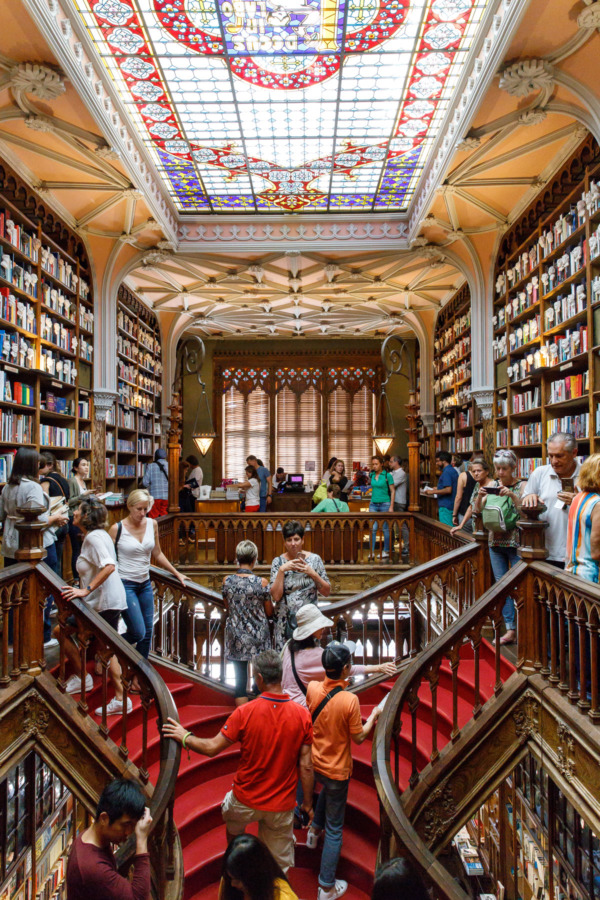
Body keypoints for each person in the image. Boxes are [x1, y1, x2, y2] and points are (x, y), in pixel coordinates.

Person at [163, 650, 314, 873]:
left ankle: (236, 872)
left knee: (234, 839)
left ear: (260, 679)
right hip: (281, 805)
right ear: (280, 676)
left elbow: (212, 748)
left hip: (245, 799)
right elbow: (307, 766)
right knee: (279, 867)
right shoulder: (302, 715)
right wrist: (308, 804)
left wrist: (185, 736)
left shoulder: (245, 712)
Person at [306, 642, 381, 900]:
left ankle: (314, 831)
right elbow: (358, 738)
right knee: (335, 829)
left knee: (326, 791)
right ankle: (326, 886)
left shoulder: (313, 688)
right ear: (347, 668)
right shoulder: (350, 700)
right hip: (337, 769)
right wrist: (374, 716)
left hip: (316, 763)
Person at [57, 498, 129, 712]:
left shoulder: (94, 539)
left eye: (77, 510)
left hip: (103, 602)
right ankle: (91, 682)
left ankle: (119, 698)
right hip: (104, 601)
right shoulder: (95, 536)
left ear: (86, 516)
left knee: (105, 647)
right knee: (105, 646)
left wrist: (85, 590)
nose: (74, 514)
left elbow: (109, 566)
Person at [108, 489, 186, 672]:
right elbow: (107, 559)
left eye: (146, 509)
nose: (143, 513)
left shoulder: (152, 524)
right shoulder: (116, 529)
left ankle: (138, 675)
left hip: (145, 584)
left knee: (147, 632)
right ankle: (107, 650)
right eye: (139, 509)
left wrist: (176, 573)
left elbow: (157, 552)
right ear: (129, 507)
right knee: (137, 631)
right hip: (125, 584)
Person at [0, 448, 67, 645]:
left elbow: (2, 516)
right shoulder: (33, 487)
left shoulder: (7, 487)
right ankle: (43, 635)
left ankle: (12, 638)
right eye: (38, 463)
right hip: (37, 543)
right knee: (44, 587)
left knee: (13, 592)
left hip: (12, 544)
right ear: (32, 465)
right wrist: (55, 517)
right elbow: (37, 519)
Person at [281, 605, 396, 707]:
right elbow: (348, 669)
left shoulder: (288, 647)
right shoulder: (315, 655)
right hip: (301, 709)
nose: (323, 628)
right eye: (320, 626)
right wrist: (378, 668)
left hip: (286, 704)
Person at [66, 777, 152, 900]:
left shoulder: (89, 837)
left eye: (133, 825)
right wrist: (142, 839)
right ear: (104, 818)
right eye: (125, 825)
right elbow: (139, 898)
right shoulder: (93, 867)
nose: (129, 832)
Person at [471, 450, 524, 645]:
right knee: (502, 586)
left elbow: (524, 511)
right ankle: (510, 629)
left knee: (519, 586)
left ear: (513, 468)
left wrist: (512, 495)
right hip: (495, 542)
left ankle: (524, 627)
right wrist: (480, 496)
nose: (500, 473)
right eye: (498, 469)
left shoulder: (522, 485)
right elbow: (478, 510)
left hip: (516, 542)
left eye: (504, 469)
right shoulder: (492, 485)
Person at [223, 540, 272, 705]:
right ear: (255, 559)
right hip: (258, 634)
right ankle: (257, 721)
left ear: (237, 559)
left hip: (236, 634)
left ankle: (243, 721)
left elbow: (227, 607)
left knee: (240, 683)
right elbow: (269, 611)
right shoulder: (262, 583)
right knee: (260, 683)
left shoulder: (227, 581)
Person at [270, 520, 331, 652]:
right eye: (289, 540)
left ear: (303, 540)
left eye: (296, 539)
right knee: (286, 661)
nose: (293, 544)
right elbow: (276, 596)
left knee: (309, 659)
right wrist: (281, 570)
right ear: (284, 542)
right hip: (285, 622)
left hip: (310, 623)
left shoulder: (315, 559)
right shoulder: (278, 562)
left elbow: (326, 591)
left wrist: (312, 573)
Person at [522, 432, 580, 568]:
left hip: (578, 555)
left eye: (559, 456)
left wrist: (579, 502)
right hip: (544, 551)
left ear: (574, 453)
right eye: (550, 456)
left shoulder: (588, 476)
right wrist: (528, 498)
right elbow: (522, 512)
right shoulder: (540, 473)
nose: (554, 461)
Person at [220, 835, 298, 900]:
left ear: (256, 876)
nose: (232, 884)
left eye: (238, 880)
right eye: (231, 878)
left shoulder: (284, 897)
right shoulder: (229, 880)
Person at [565, 454, 600, 583]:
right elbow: (596, 553)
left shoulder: (578, 498)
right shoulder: (597, 504)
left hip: (572, 572)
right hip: (590, 577)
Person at [40, 451, 70, 577]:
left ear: (49, 465)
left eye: (41, 465)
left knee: (49, 563)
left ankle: (51, 593)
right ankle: (59, 590)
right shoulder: (63, 479)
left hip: (53, 523)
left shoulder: (46, 481)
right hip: (64, 521)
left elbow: (43, 503)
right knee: (58, 560)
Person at [450, 457, 495, 534]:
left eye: (479, 471)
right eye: (474, 471)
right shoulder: (477, 484)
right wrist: (461, 525)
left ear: (487, 471)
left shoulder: (493, 484)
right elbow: (471, 506)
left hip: (489, 528)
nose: (476, 474)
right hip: (478, 527)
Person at [68, 456, 93, 575]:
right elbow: (70, 501)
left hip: (83, 518)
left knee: (83, 547)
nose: (86, 467)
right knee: (76, 549)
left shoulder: (83, 481)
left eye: (87, 464)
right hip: (74, 518)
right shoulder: (73, 481)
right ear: (75, 468)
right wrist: (84, 496)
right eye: (83, 465)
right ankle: (76, 577)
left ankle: (83, 574)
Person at [422, 451, 459, 526]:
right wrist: (438, 488)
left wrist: (432, 492)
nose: (436, 463)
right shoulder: (453, 470)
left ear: (444, 461)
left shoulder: (446, 472)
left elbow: (448, 489)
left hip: (446, 506)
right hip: (452, 505)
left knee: (447, 530)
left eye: (438, 461)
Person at [369, 456, 394, 559]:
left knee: (386, 529)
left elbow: (393, 491)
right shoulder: (371, 475)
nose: (374, 466)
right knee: (373, 528)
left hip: (385, 504)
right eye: (373, 464)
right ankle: (372, 552)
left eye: (376, 464)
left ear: (381, 464)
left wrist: (391, 506)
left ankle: (386, 551)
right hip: (373, 504)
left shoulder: (388, 476)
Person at [389, 455, 409, 560]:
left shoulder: (401, 473)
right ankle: (390, 546)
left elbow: (392, 484)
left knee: (401, 525)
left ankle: (407, 546)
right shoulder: (393, 473)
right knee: (391, 525)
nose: (389, 463)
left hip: (398, 501)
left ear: (396, 462)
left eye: (391, 462)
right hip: (393, 501)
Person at [142, 449, 169, 518]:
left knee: (153, 518)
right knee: (164, 517)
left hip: (154, 496)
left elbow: (145, 483)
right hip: (166, 496)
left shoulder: (151, 466)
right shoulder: (170, 466)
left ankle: (155, 529)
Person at [452, 459, 477, 533]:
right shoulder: (485, 477)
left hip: (464, 513)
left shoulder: (463, 475)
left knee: (465, 540)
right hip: (478, 515)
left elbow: (458, 497)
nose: (476, 473)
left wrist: (454, 515)